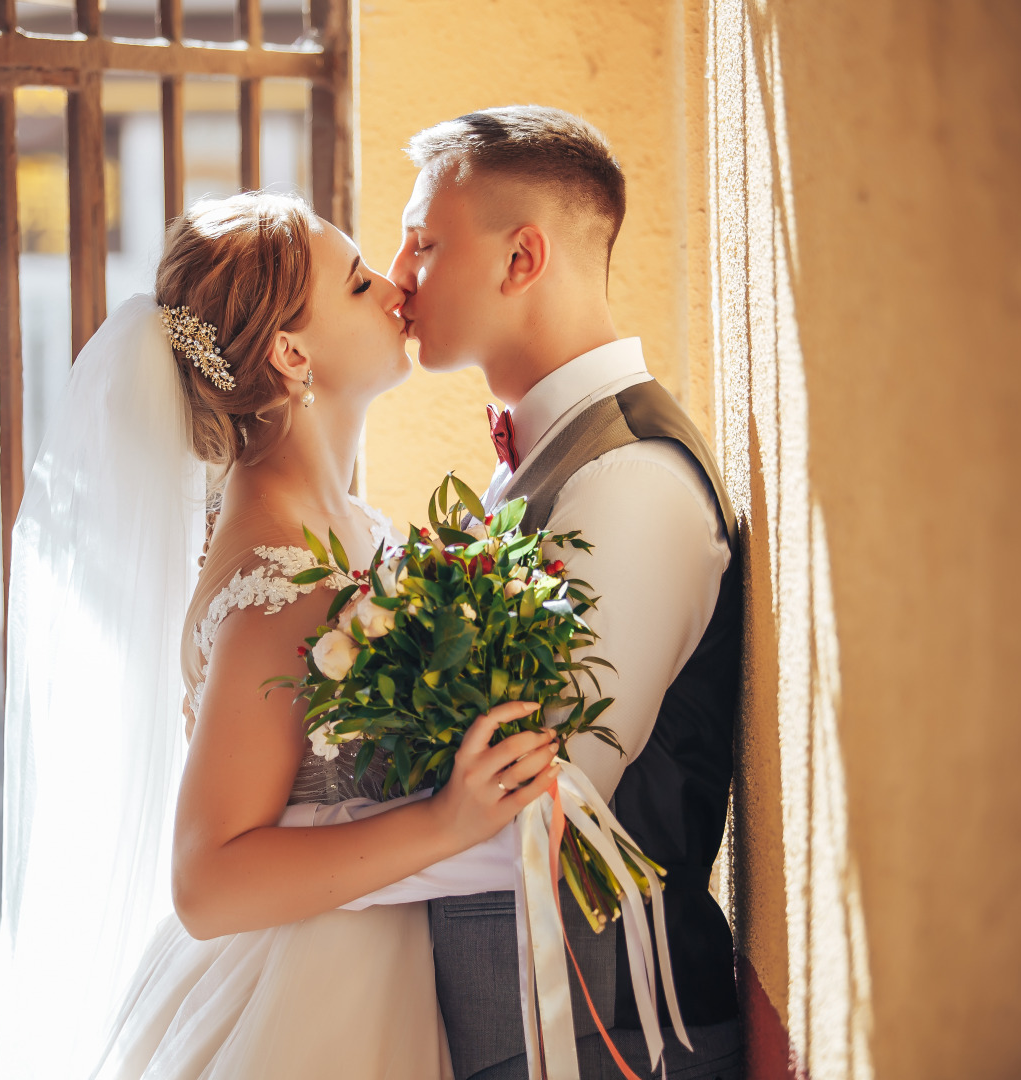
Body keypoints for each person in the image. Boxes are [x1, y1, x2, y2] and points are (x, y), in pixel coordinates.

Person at [0, 192, 560, 1080]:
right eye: (357, 279)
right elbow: (206, 882)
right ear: (291, 353)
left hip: (382, 973)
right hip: (308, 1003)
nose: (392, 285)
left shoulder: (333, 525)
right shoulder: (281, 582)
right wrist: (447, 821)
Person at [304, 106, 744, 1080]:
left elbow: (550, 814)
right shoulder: (546, 458)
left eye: (423, 242)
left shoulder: (627, 481)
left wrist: (288, 875)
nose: (398, 274)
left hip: (606, 1031)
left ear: (519, 259)